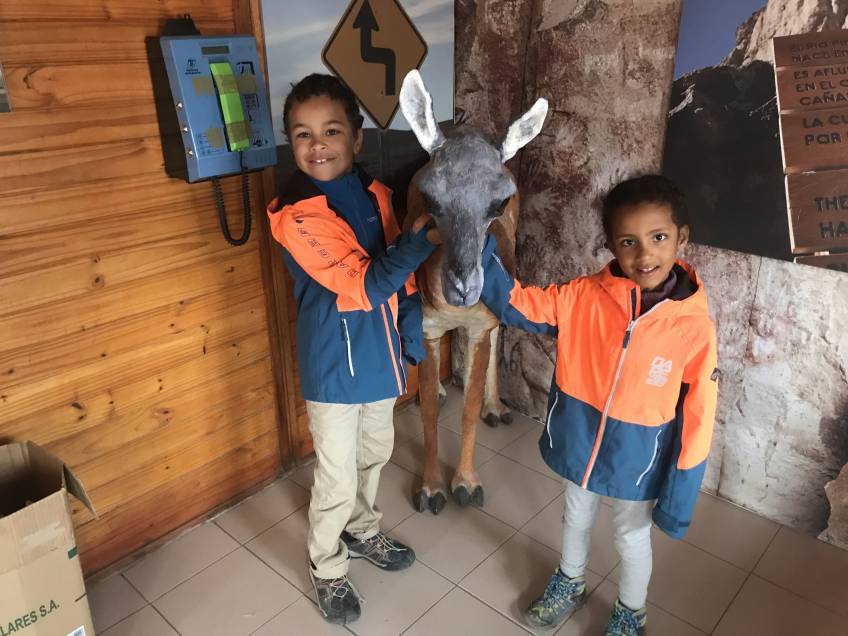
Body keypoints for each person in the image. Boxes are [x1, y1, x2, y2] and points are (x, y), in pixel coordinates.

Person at [479, 175, 718, 635]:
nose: (644, 254)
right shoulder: (584, 295)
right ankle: (570, 580)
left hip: (638, 456)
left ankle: (631, 610)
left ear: (682, 238)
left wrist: (681, 494)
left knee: (631, 536)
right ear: (610, 245)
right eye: (628, 241)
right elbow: (521, 305)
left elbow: (699, 414)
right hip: (581, 438)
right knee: (576, 515)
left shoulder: (693, 328)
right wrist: (478, 249)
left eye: (659, 237)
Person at [266, 74, 438, 625]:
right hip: (333, 368)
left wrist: (410, 333)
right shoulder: (297, 214)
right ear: (291, 143)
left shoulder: (376, 195)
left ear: (356, 138)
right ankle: (327, 565)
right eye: (302, 134)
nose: (317, 145)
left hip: (381, 358)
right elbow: (365, 285)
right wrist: (420, 242)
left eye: (331, 131)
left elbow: (402, 281)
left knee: (374, 454)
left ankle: (362, 531)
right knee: (336, 476)